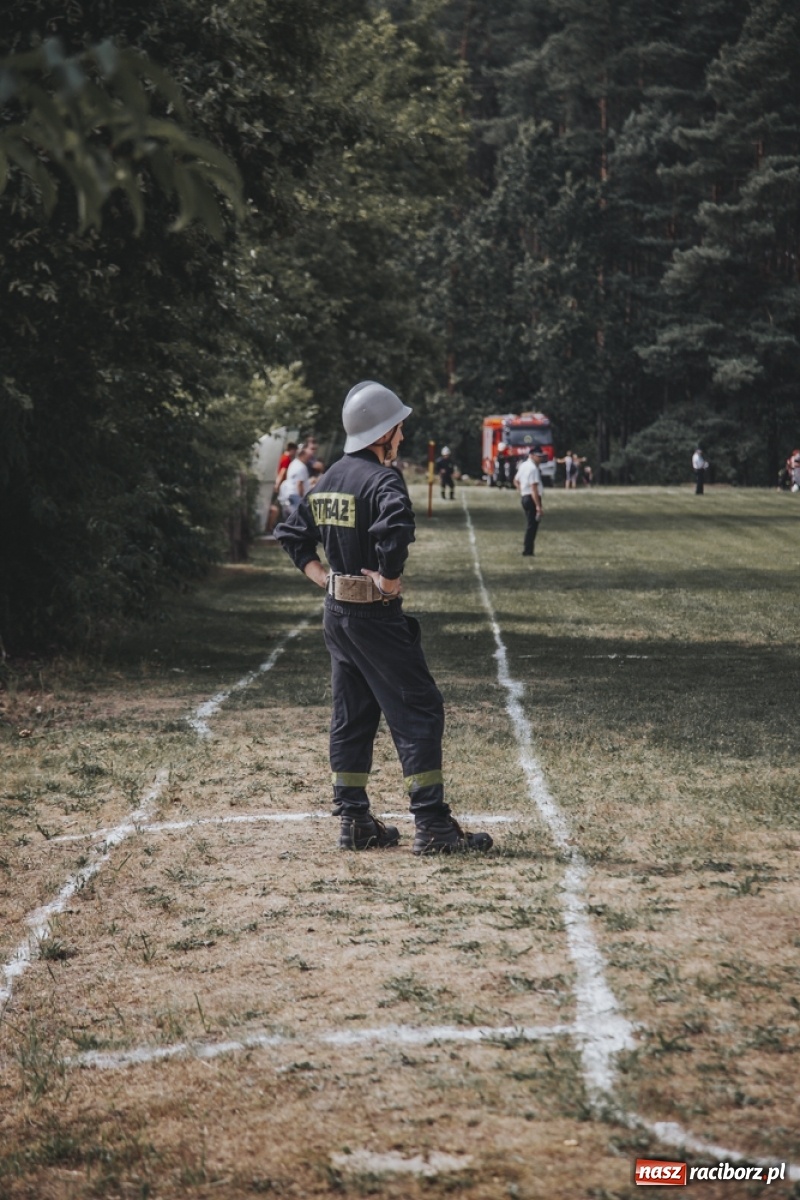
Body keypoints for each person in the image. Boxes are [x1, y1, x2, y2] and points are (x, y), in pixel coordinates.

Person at [274, 380, 493, 856]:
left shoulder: (329, 477)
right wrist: (390, 580)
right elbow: (395, 526)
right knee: (418, 708)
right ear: (383, 433)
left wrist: (325, 579)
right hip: (374, 617)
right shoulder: (383, 479)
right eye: (399, 427)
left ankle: (354, 820)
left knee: (351, 715)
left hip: (338, 616)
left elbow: (292, 533)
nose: (403, 435)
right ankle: (433, 825)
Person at [514, 446, 543, 557]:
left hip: (525, 497)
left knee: (531, 523)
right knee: (532, 525)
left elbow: (516, 480)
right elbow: (534, 488)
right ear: (532, 455)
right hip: (532, 498)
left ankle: (529, 548)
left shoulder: (523, 465)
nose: (540, 459)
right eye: (538, 456)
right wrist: (538, 506)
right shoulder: (533, 468)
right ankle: (528, 550)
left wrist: (522, 491)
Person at [277, 444, 314, 518]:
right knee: (296, 518)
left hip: (288, 493)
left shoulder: (294, 463)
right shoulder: (301, 467)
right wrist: (303, 498)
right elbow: (299, 484)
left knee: (289, 518)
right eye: (308, 456)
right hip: (296, 496)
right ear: (302, 455)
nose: (309, 459)